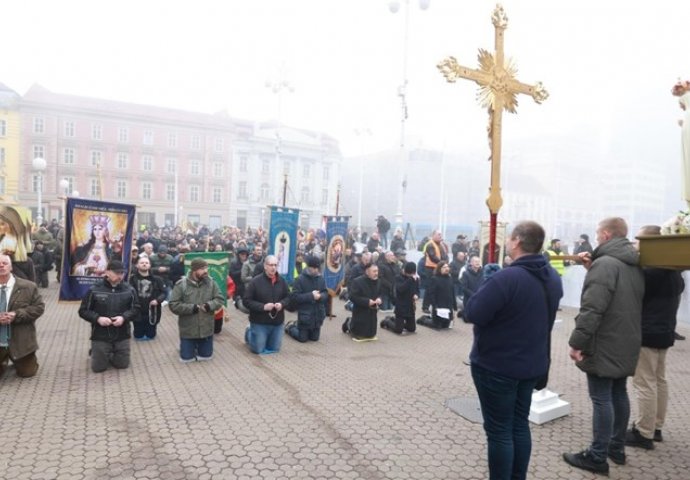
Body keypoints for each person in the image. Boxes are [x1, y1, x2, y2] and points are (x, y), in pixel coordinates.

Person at [464, 221, 562, 480]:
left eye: (509, 238)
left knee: (499, 431)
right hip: (532, 364)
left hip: (498, 366)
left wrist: (487, 283)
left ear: (517, 241)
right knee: (519, 425)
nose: (506, 241)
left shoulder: (506, 278)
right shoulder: (551, 276)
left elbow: (473, 312)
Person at [563, 217, 644, 475]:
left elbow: (593, 308)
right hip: (626, 339)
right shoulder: (632, 264)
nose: (596, 238)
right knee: (619, 392)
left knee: (601, 399)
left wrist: (577, 342)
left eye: (598, 234)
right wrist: (592, 268)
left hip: (604, 341)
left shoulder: (605, 264)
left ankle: (597, 456)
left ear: (607, 235)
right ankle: (615, 448)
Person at [625, 225, 685, 449]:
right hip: (664, 331)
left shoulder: (651, 272)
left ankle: (644, 432)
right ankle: (656, 426)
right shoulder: (673, 272)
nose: (636, 245)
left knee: (645, 383)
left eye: (639, 241)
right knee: (659, 380)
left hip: (648, 332)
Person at [78, 260, 139, 373]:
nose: (120, 276)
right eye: (116, 273)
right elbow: (83, 311)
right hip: (100, 334)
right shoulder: (94, 289)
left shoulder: (129, 289)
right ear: (107, 272)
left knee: (122, 365)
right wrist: (98, 318)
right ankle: (98, 351)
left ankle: (109, 353)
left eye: (122, 273)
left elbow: (136, 309)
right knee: (98, 368)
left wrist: (124, 317)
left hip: (122, 333)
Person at [169, 258, 224, 362]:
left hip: (206, 330)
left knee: (206, 357)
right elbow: (173, 304)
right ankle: (187, 346)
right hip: (188, 330)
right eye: (202, 269)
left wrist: (209, 306)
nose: (206, 271)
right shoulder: (182, 285)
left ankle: (200, 347)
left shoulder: (211, 283)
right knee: (187, 359)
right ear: (194, 270)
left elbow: (220, 299)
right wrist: (192, 308)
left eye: (206, 268)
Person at [0, 254, 45, 378]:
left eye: (4, 263)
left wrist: (16, 315)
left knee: (27, 373)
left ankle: (21, 359)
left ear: (11, 267)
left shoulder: (28, 286)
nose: (1, 266)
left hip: (21, 341)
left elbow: (39, 308)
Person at [243, 255, 290, 354]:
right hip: (259, 321)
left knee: (274, 349)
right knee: (258, 350)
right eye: (271, 265)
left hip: (277, 322)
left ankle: (264, 336)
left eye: (276, 265)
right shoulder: (255, 281)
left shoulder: (282, 281)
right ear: (265, 266)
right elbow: (246, 301)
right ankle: (249, 332)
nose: (273, 268)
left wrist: (282, 304)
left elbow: (289, 297)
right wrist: (263, 307)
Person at [285, 256, 328, 342]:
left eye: (317, 268)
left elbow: (325, 293)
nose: (316, 270)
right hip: (305, 314)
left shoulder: (321, 279)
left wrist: (321, 296)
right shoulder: (300, 279)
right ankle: (290, 327)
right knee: (302, 339)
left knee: (314, 339)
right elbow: (294, 297)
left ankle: (300, 326)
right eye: (314, 268)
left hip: (317, 315)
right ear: (309, 267)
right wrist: (311, 296)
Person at [129, 256, 167, 341]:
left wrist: (158, 300)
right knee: (138, 336)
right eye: (142, 263)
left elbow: (164, 292)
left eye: (146, 263)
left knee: (151, 336)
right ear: (137, 265)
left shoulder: (157, 279)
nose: (144, 264)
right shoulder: (131, 279)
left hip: (152, 310)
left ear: (150, 265)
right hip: (137, 310)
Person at [342, 262, 381, 341]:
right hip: (360, 311)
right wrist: (367, 302)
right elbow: (352, 297)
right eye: (374, 271)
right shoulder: (357, 281)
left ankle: (351, 321)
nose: (376, 273)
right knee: (359, 334)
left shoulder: (378, 281)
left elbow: (380, 293)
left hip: (372, 313)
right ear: (367, 272)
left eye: (377, 271)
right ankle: (348, 323)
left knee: (371, 335)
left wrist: (379, 299)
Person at [380, 261, 419, 335]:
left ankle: (395, 320)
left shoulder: (415, 279)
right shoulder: (398, 278)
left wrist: (416, 295)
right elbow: (400, 289)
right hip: (401, 306)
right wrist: (410, 280)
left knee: (411, 329)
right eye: (409, 273)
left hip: (410, 306)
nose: (410, 275)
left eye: (412, 273)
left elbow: (417, 290)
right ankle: (387, 322)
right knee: (398, 330)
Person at [417, 261, 457, 330]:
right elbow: (431, 294)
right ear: (439, 269)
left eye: (447, 267)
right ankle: (424, 319)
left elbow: (452, 293)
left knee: (445, 326)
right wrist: (434, 305)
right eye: (444, 267)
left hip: (448, 307)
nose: (447, 269)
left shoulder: (450, 279)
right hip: (439, 306)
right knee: (437, 326)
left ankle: (430, 318)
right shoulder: (435, 279)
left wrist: (454, 306)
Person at [422, 230, 449, 313]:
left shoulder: (441, 245)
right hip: (430, 268)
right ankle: (425, 306)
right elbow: (432, 257)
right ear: (433, 235)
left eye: (441, 235)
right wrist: (442, 263)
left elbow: (445, 255)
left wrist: (446, 262)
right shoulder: (430, 245)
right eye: (438, 234)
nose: (440, 236)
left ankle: (435, 305)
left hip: (439, 268)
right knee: (430, 287)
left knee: (438, 287)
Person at [459, 255, 482, 321]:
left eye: (478, 261)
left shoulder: (482, 273)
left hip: (479, 297)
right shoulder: (465, 273)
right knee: (468, 319)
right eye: (475, 261)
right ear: (471, 263)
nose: (477, 263)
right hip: (469, 298)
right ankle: (463, 312)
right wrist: (473, 295)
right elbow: (464, 288)